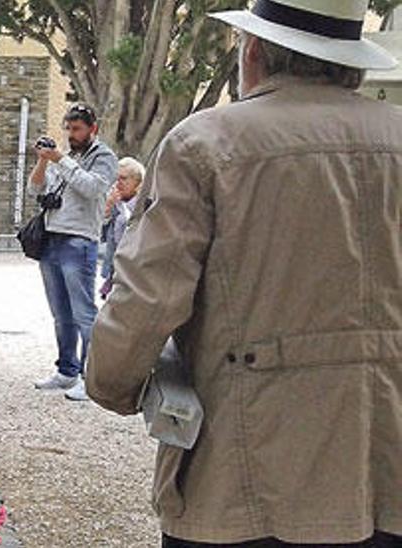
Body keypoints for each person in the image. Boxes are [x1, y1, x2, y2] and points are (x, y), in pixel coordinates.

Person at [88, 1, 402, 545]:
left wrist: (113, 384)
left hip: (243, 471)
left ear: (253, 52)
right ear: (351, 61)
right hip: (388, 471)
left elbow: (149, 298)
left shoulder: (206, 144)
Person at [28, 103, 118, 402]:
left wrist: (61, 159)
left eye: (77, 129)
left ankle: (90, 378)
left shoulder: (103, 156)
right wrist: (43, 161)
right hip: (51, 238)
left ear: (93, 129)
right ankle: (66, 370)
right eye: (68, 128)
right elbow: (36, 191)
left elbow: (92, 188)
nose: (71, 134)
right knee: (60, 313)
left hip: (79, 240)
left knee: (83, 312)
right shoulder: (62, 158)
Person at [99, 157, 145, 299]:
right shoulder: (114, 203)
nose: (118, 183)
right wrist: (108, 207)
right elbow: (99, 233)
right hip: (115, 267)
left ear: (137, 182)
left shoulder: (143, 205)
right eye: (116, 178)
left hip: (135, 269)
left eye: (123, 179)